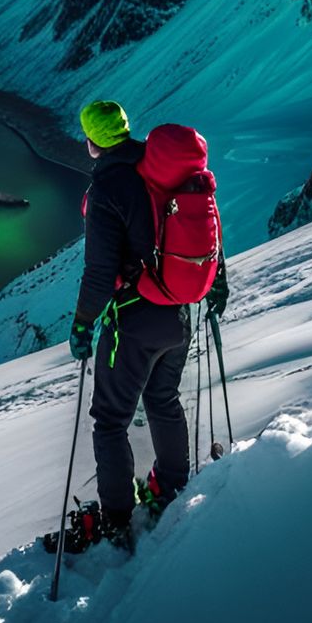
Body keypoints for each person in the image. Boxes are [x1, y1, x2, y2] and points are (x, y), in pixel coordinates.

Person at [67, 99, 228, 550]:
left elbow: (99, 272)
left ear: (92, 140)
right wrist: (216, 284)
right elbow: (206, 227)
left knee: (110, 419)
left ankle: (118, 518)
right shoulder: (162, 169)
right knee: (163, 398)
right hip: (179, 310)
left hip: (134, 319)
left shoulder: (106, 189)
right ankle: (171, 486)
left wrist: (82, 325)